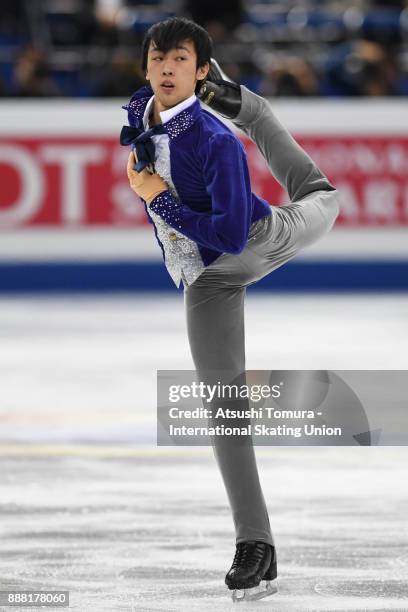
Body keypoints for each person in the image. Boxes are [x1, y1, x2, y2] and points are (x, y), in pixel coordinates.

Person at [122, 16, 339, 602]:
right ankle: (256, 546)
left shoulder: (215, 141)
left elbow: (232, 237)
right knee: (224, 406)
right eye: (158, 57)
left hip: (260, 237)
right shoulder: (145, 109)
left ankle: (256, 109)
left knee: (323, 197)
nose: (167, 67)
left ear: (197, 72)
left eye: (181, 60)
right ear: (146, 67)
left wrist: (159, 199)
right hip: (208, 282)